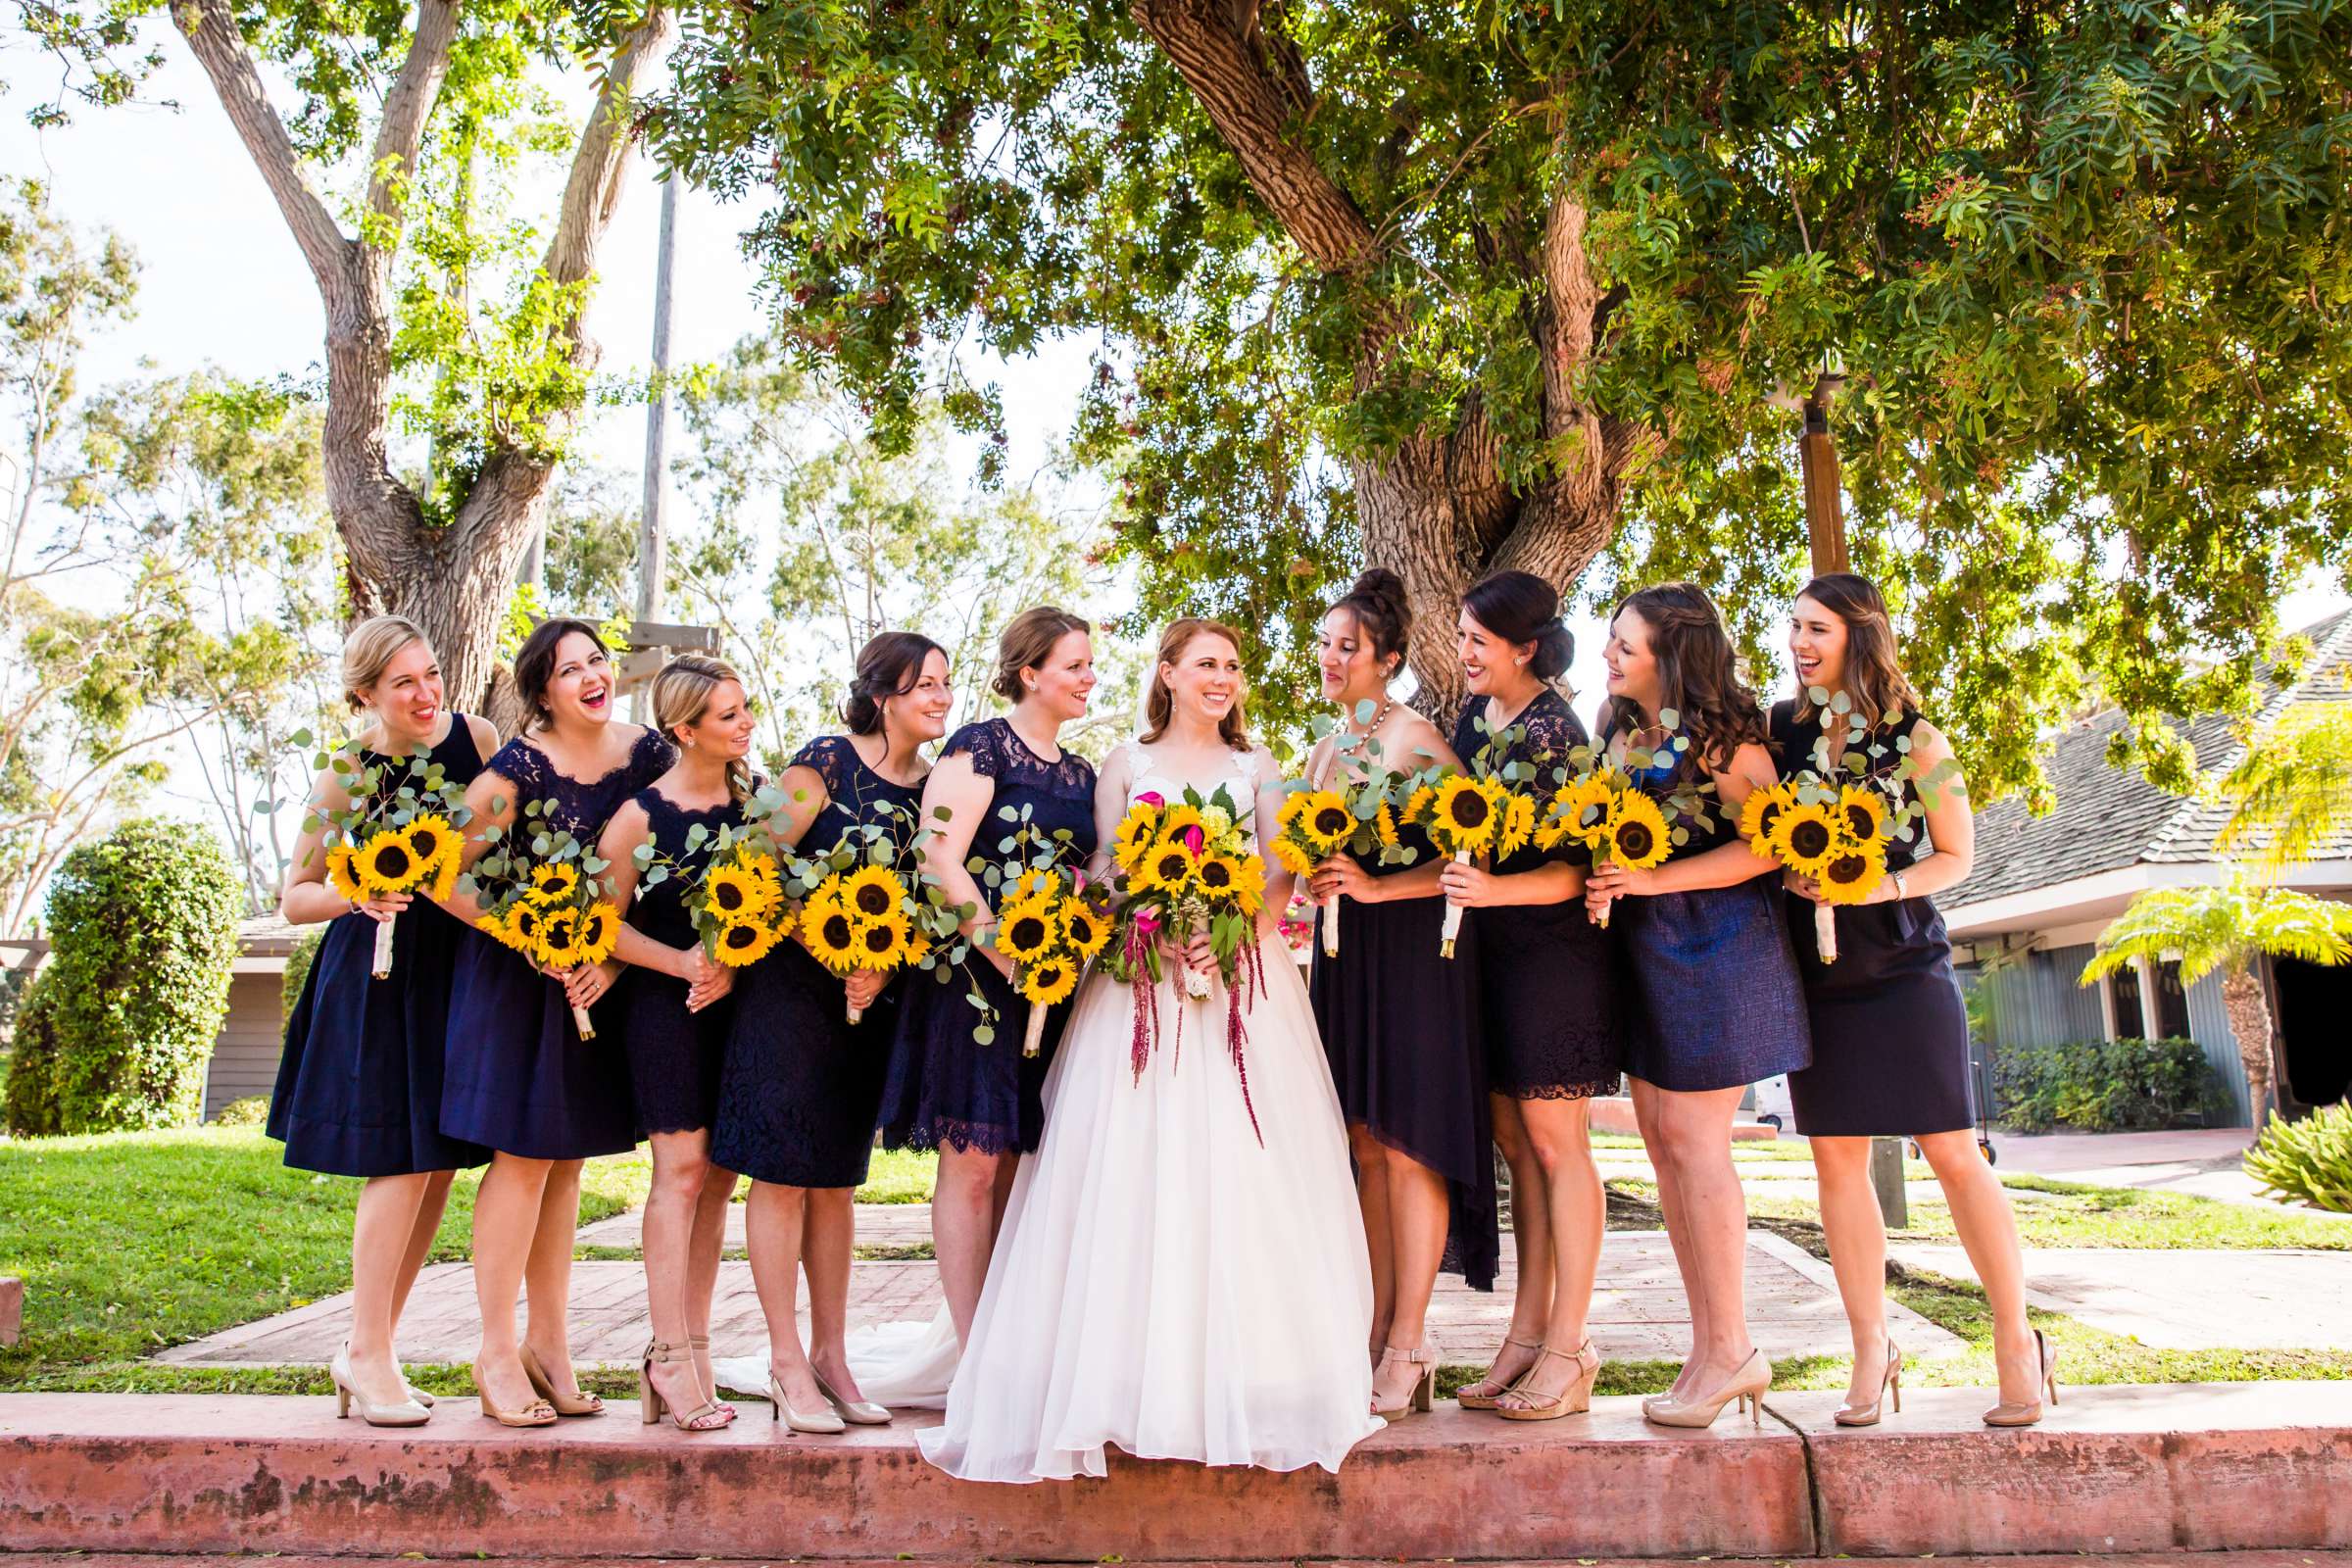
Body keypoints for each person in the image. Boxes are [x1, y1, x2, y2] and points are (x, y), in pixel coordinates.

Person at [917, 618, 1383, 1482]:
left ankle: (1257, 1372)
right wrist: (1142, 920)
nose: (1224, 678)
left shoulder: (1259, 768)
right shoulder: (1124, 766)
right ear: (1167, 673)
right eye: (1206, 663)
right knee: (1126, 1168)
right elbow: (1102, 864)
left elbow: (1277, 868)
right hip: (1138, 979)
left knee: (1244, 1166)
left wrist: (1234, 929)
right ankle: (1117, 1372)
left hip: (1241, 974)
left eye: (1234, 666)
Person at [1773, 573, 2052, 1427]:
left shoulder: (1919, 740)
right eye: (1793, 629)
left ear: (1861, 633)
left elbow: (1956, 856)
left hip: (1901, 965)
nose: (1800, 644)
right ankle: (1871, 1346)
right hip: (1814, 975)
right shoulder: (1781, 732)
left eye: (1817, 629)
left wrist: (1874, 888)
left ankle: (2016, 1338)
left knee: (1953, 1150)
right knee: (1835, 1164)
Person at [710, 632, 951, 1431]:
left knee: (838, 1183)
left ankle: (832, 1354)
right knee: (781, 1173)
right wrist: (818, 931)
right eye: (925, 686)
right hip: (787, 996)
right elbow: (747, 859)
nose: (940, 699)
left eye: (946, 686)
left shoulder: (936, 790)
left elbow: (929, 901)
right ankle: (783, 1361)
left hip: (866, 1004)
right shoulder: (824, 765)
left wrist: (887, 964)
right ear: (882, 694)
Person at [1585, 582, 1810, 1429]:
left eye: (1625, 646)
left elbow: (1767, 848)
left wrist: (1650, 879)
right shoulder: (1618, 732)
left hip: (1718, 948)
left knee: (1694, 1141)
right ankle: (1710, 1346)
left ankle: (1733, 1348)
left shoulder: (1726, 741)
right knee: (1659, 1143)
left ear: (1671, 658)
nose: (1609, 656)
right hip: (1643, 949)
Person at [442, 618, 674, 1427]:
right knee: (524, 1161)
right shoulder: (514, 770)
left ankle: (550, 1344)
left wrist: (610, 960)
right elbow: (441, 871)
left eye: (598, 661)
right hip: (520, 987)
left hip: (601, 982)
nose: (590, 675)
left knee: (567, 1164)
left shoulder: (649, 752)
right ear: (542, 691)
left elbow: (667, 862)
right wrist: (528, 935)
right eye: (569, 668)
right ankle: (495, 1351)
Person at [272, 616, 498, 1426]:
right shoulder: (345, 774)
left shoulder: (477, 736)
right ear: (365, 692)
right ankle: (367, 1353)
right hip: (377, 975)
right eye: (404, 682)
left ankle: (369, 1346)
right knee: (399, 1163)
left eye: (431, 673)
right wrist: (355, 893)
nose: (426, 693)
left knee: (436, 1165)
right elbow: (295, 896)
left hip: (459, 973)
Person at [1302, 568, 1498, 1422]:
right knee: (1365, 1143)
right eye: (1325, 642)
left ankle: (1413, 1338)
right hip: (1344, 959)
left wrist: (1382, 891)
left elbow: (1476, 848)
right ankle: (1379, 1328)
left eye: (1349, 647)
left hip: (1415, 956)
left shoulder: (1413, 737)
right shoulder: (1325, 745)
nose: (1331, 658)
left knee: (1407, 1141)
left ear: (1386, 660)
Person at [877, 608, 1099, 1353]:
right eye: (1073, 665)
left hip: (1055, 990)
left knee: (1018, 1159)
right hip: (973, 982)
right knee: (972, 1163)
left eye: (1090, 666)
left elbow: (1090, 878)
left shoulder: (1081, 773)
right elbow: (937, 858)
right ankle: (977, 1352)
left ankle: (1015, 1339)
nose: (1088, 678)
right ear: (1029, 672)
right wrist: (1009, 956)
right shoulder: (979, 747)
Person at [1439, 569, 1622, 1421]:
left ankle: (1571, 1346)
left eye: (1478, 639)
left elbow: (1576, 870)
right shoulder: (1474, 718)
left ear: (1525, 648)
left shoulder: (1559, 732)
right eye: (1463, 636)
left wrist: (1491, 895)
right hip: (1487, 958)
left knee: (1557, 1148)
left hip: (1553, 960)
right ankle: (1526, 1332)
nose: (1465, 652)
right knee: (1516, 1145)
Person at [594, 656, 758, 1432]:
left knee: (722, 1177)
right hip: (663, 1006)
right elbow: (601, 921)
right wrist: (684, 962)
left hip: (736, 1003)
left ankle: (696, 1347)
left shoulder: (756, 805)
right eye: (729, 715)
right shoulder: (639, 816)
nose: (746, 723)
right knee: (682, 1172)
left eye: (745, 709)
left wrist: (729, 963)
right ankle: (666, 1351)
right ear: (684, 729)